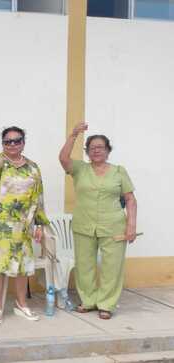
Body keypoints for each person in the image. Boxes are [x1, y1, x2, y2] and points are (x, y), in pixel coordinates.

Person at [59, 122, 137, 320]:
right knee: (84, 266)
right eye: (92, 148)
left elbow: (130, 199)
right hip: (84, 224)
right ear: (87, 152)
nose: (96, 151)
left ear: (108, 150)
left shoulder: (119, 171)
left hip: (114, 226)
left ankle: (107, 304)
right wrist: (73, 135)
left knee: (112, 267)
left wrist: (131, 226)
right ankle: (88, 300)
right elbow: (63, 158)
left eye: (100, 147)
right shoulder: (80, 169)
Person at [0, 126, 48, 324]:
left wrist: (39, 225)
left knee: (22, 266)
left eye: (17, 140)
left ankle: (21, 304)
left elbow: (38, 198)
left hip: (22, 226)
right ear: (3, 144)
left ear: (23, 142)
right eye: (8, 141)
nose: (13, 144)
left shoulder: (33, 168)